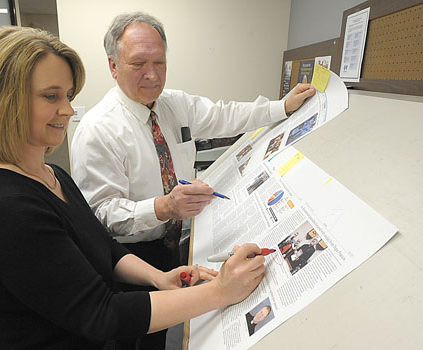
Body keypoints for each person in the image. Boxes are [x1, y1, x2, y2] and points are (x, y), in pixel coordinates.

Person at [0, 26, 267, 350]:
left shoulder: (52, 174)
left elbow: (102, 245)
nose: (68, 110)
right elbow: (99, 314)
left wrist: (157, 278)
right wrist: (221, 292)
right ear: (2, 101)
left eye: (68, 95)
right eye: (51, 96)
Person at [70, 13, 314, 348]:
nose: (152, 75)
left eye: (159, 62)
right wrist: (164, 206)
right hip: (130, 260)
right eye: (138, 63)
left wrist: (281, 107)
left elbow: (226, 115)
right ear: (113, 66)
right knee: (130, 339)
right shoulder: (97, 130)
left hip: (175, 248)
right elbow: (100, 218)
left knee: (159, 337)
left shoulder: (174, 105)